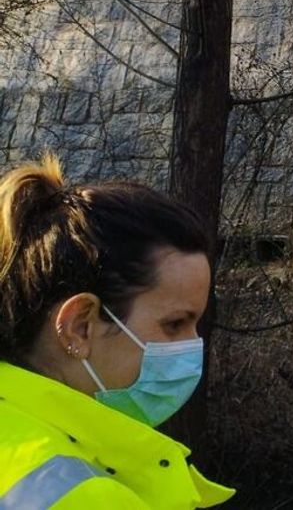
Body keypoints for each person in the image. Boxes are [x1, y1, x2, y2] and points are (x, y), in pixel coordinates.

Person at [0, 154, 233, 507]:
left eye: (196, 324)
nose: (193, 346)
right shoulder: (87, 495)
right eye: (174, 324)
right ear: (79, 327)